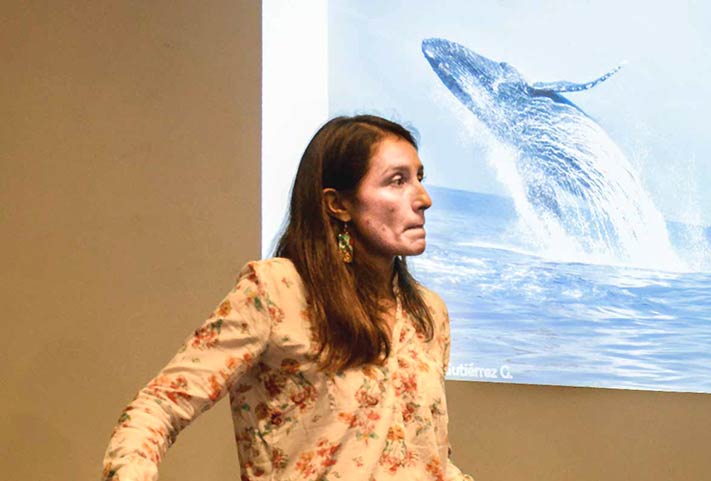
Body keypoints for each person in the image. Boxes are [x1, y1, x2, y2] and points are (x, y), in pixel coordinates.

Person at [101, 115, 473, 481]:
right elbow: (160, 405)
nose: (424, 199)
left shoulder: (428, 312)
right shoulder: (277, 290)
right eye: (397, 181)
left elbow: (427, 457)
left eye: (419, 178)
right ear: (338, 204)